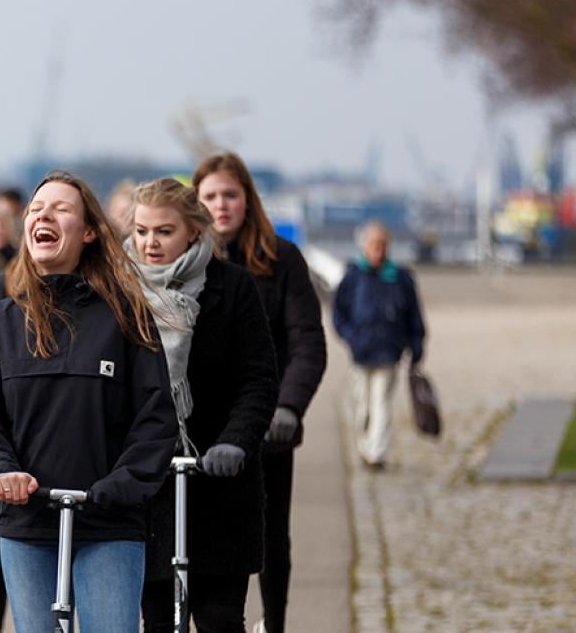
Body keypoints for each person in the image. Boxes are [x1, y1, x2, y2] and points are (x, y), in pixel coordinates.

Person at [0, 170, 178, 633]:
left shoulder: (126, 317)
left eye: (61, 208)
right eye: (36, 208)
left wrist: (120, 486)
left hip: (109, 524)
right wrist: (2, 471)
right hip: (28, 522)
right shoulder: (2, 320)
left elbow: (156, 420)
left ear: (88, 232)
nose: (43, 214)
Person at [123, 179, 279, 633]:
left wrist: (235, 442)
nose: (150, 243)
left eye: (164, 231)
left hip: (219, 485)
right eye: (142, 230)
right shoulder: (120, 291)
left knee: (220, 618)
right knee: (158, 620)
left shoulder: (233, 288)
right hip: (149, 488)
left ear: (193, 231)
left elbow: (258, 379)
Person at [193, 151, 327, 633]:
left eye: (230, 194)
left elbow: (307, 341)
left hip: (267, 424)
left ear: (248, 199)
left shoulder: (281, 258)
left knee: (272, 539)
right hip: (202, 428)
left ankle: (274, 622)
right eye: (209, 196)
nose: (221, 205)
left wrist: (288, 405)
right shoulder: (185, 261)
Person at [332, 221, 426, 471]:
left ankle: (377, 453)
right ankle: (364, 446)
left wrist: (416, 345)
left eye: (382, 245)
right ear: (364, 246)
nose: (378, 250)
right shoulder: (352, 277)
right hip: (361, 352)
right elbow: (339, 313)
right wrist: (350, 336)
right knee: (362, 405)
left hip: (389, 351)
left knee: (381, 403)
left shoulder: (400, 278)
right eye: (373, 245)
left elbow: (414, 315)